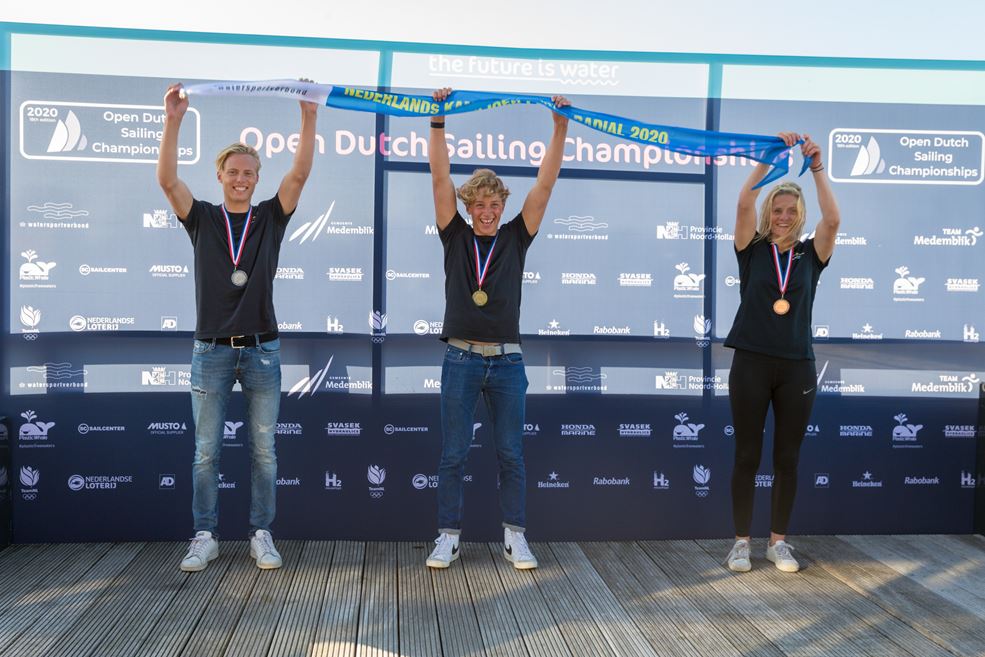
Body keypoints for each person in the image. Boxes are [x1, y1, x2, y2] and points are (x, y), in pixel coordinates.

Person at [157, 82, 318, 572]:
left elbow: (300, 173)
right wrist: (173, 120)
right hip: (211, 351)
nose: (242, 179)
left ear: (255, 177)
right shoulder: (202, 218)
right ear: (221, 176)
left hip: (262, 350)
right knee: (206, 453)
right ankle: (204, 534)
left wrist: (309, 117)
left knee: (264, 452)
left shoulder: (270, 217)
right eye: (234, 172)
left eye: (249, 173)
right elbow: (167, 181)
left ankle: (261, 533)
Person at [424, 88, 569, 570]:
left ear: (503, 205)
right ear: (468, 207)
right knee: (453, 457)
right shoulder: (454, 235)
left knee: (511, 455)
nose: (486, 211)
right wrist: (438, 119)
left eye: (493, 203)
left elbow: (544, 186)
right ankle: (448, 536)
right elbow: (439, 176)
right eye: (478, 204)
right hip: (461, 358)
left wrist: (560, 127)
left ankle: (515, 537)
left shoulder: (516, 237)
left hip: (507, 361)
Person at [723, 132, 840, 573]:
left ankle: (777, 543)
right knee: (747, 456)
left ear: (800, 214)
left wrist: (816, 168)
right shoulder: (750, 249)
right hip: (751, 361)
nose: (784, 216)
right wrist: (768, 158)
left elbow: (833, 220)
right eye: (778, 209)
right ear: (769, 213)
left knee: (787, 457)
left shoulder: (813, 254)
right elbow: (741, 203)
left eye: (792, 211)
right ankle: (740, 543)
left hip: (796, 367)